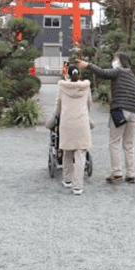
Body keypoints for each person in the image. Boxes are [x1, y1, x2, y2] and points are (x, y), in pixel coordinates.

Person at [77, 52, 135, 184]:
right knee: (129, 145)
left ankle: (117, 173)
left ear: (120, 61)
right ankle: (131, 174)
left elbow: (103, 73)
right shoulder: (133, 77)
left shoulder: (119, 71)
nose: (113, 61)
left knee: (114, 142)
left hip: (120, 110)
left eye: (115, 58)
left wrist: (87, 65)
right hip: (133, 113)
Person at [46, 64, 93, 195]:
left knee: (67, 151)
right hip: (82, 122)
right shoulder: (86, 87)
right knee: (80, 154)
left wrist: (55, 117)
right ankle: (78, 186)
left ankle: (67, 179)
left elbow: (58, 106)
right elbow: (89, 104)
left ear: (68, 74)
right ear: (79, 75)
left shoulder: (62, 87)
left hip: (67, 122)